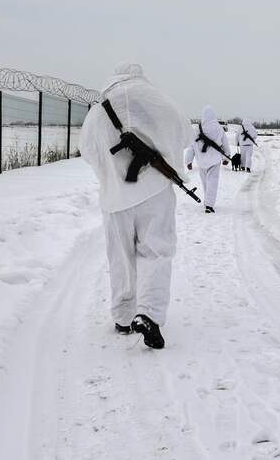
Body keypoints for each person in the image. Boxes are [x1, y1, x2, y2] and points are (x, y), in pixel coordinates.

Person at [79, 63, 192, 349]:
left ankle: (124, 315)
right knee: (157, 252)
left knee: (121, 255)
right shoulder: (160, 100)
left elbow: (88, 149)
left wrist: (111, 172)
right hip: (156, 190)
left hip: (116, 196)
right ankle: (149, 314)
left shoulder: (99, 109)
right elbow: (186, 134)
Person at [185, 105, 231, 213]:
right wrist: (226, 158)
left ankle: (207, 201)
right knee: (212, 182)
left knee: (205, 182)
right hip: (214, 161)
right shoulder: (219, 128)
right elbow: (225, 144)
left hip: (201, 162)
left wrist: (188, 161)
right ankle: (209, 205)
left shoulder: (197, 129)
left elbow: (192, 147)